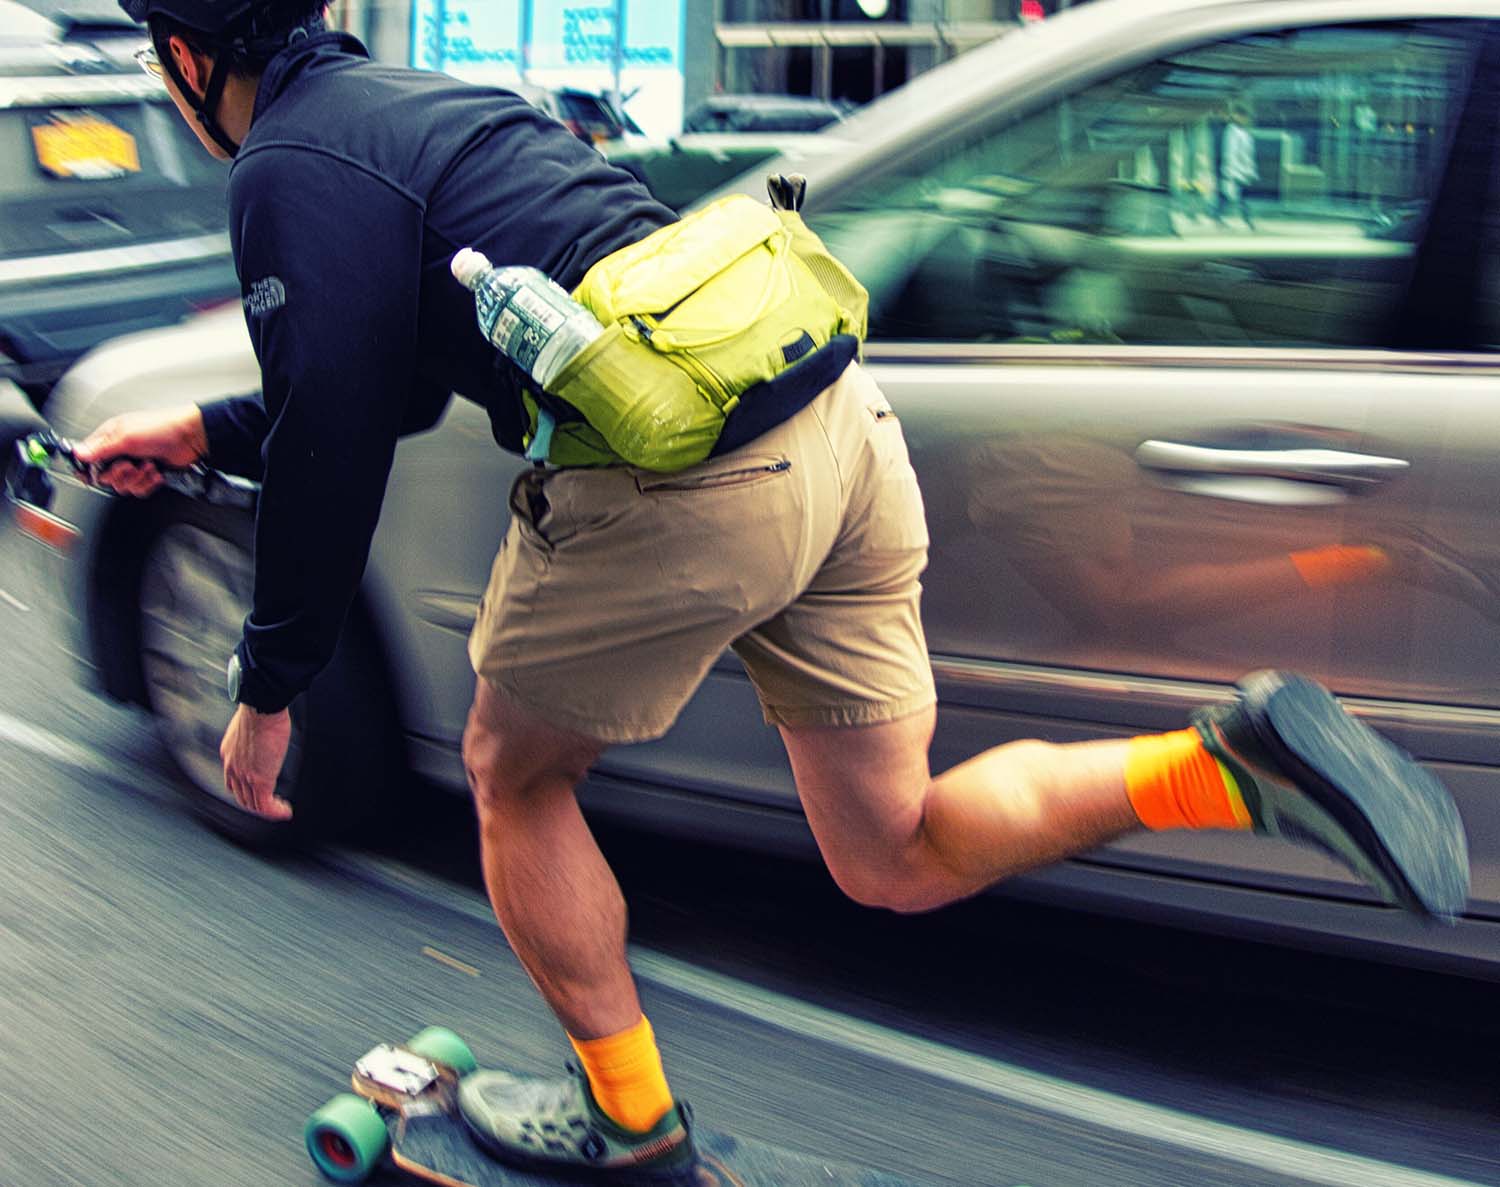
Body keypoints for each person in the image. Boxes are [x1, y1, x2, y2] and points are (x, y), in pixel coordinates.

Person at [82, 2, 1469, 1181]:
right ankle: (1223, 767)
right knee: (893, 846)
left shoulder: (285, 163)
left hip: (676, 474)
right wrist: (205, 431)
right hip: (831, 424)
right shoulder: (426, 100)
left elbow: (333, 436)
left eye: (158, 49)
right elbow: (380, 378)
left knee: (511, 773)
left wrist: (268, 691)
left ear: (195, 56)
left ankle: (632, 1122)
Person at [1218, 102, 1259, 228]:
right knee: (1233, 197)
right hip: (1235, 171)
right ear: (1237, 116)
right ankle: (1247, 220)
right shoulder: (1232, 131)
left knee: (1234, 197)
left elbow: (1247, 155)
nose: (1246, 119)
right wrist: (1231, 171)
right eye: (1244, 116)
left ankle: (1220, 217)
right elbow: (1231, 152)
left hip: (1242, 172)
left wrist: (1251, 171)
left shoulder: (1243, 132)